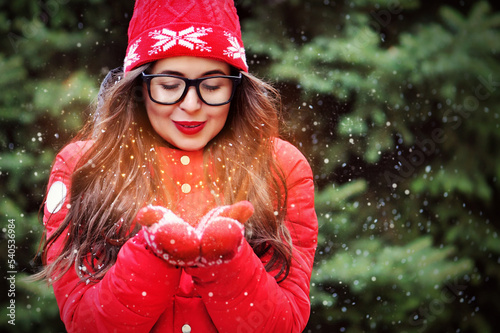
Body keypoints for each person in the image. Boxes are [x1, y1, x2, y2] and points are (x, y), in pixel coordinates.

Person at [36, 0, 318, 332]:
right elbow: (87, 323)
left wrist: (225, 258)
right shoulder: (84, 168)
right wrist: (154, 253)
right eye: (169, 86)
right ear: (140, 87)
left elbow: (283, 324)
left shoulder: (281, 168)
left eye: (212, 86)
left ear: (236, 86)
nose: (191, 104)